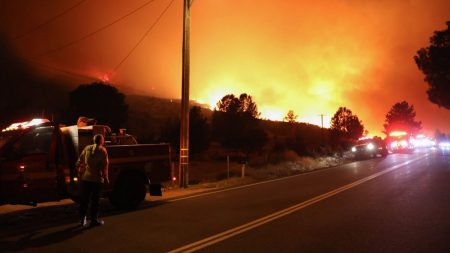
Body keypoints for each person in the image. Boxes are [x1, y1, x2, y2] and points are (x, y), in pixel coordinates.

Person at [76, 134, 109, 227]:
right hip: (97, 180)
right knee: (95, 201)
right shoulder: (102, 150)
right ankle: (93, 220)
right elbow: (104, 166)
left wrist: (78, 170)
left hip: (86, 178)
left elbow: (80, 160)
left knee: (84, 200)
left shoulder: (87, 148)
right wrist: (106, 178)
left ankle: (82, 220)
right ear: (102, 141)